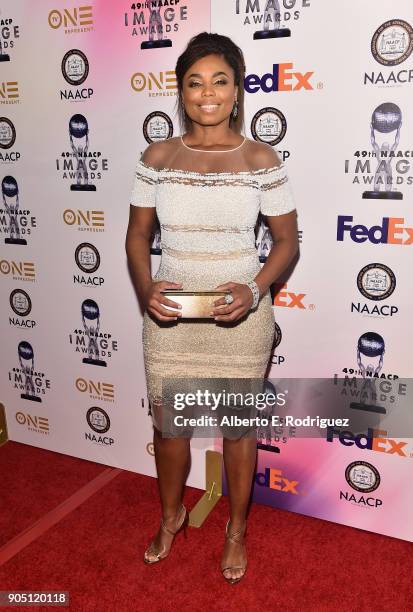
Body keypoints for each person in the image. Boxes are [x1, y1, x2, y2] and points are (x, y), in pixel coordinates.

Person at [125, 31, 298, 585]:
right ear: (181, 90)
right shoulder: (157, 156)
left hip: (240, 315)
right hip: (171, 316)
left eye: (219, 81)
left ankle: (236, 530)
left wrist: (254, 287)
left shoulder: (260, 158)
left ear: (237, 89)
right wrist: (145, 287)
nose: (207, 94)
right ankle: (171, 516)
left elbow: (287, 243)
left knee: (238, 429)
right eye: (195, 83)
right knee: (170, 427)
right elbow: (136, 238)